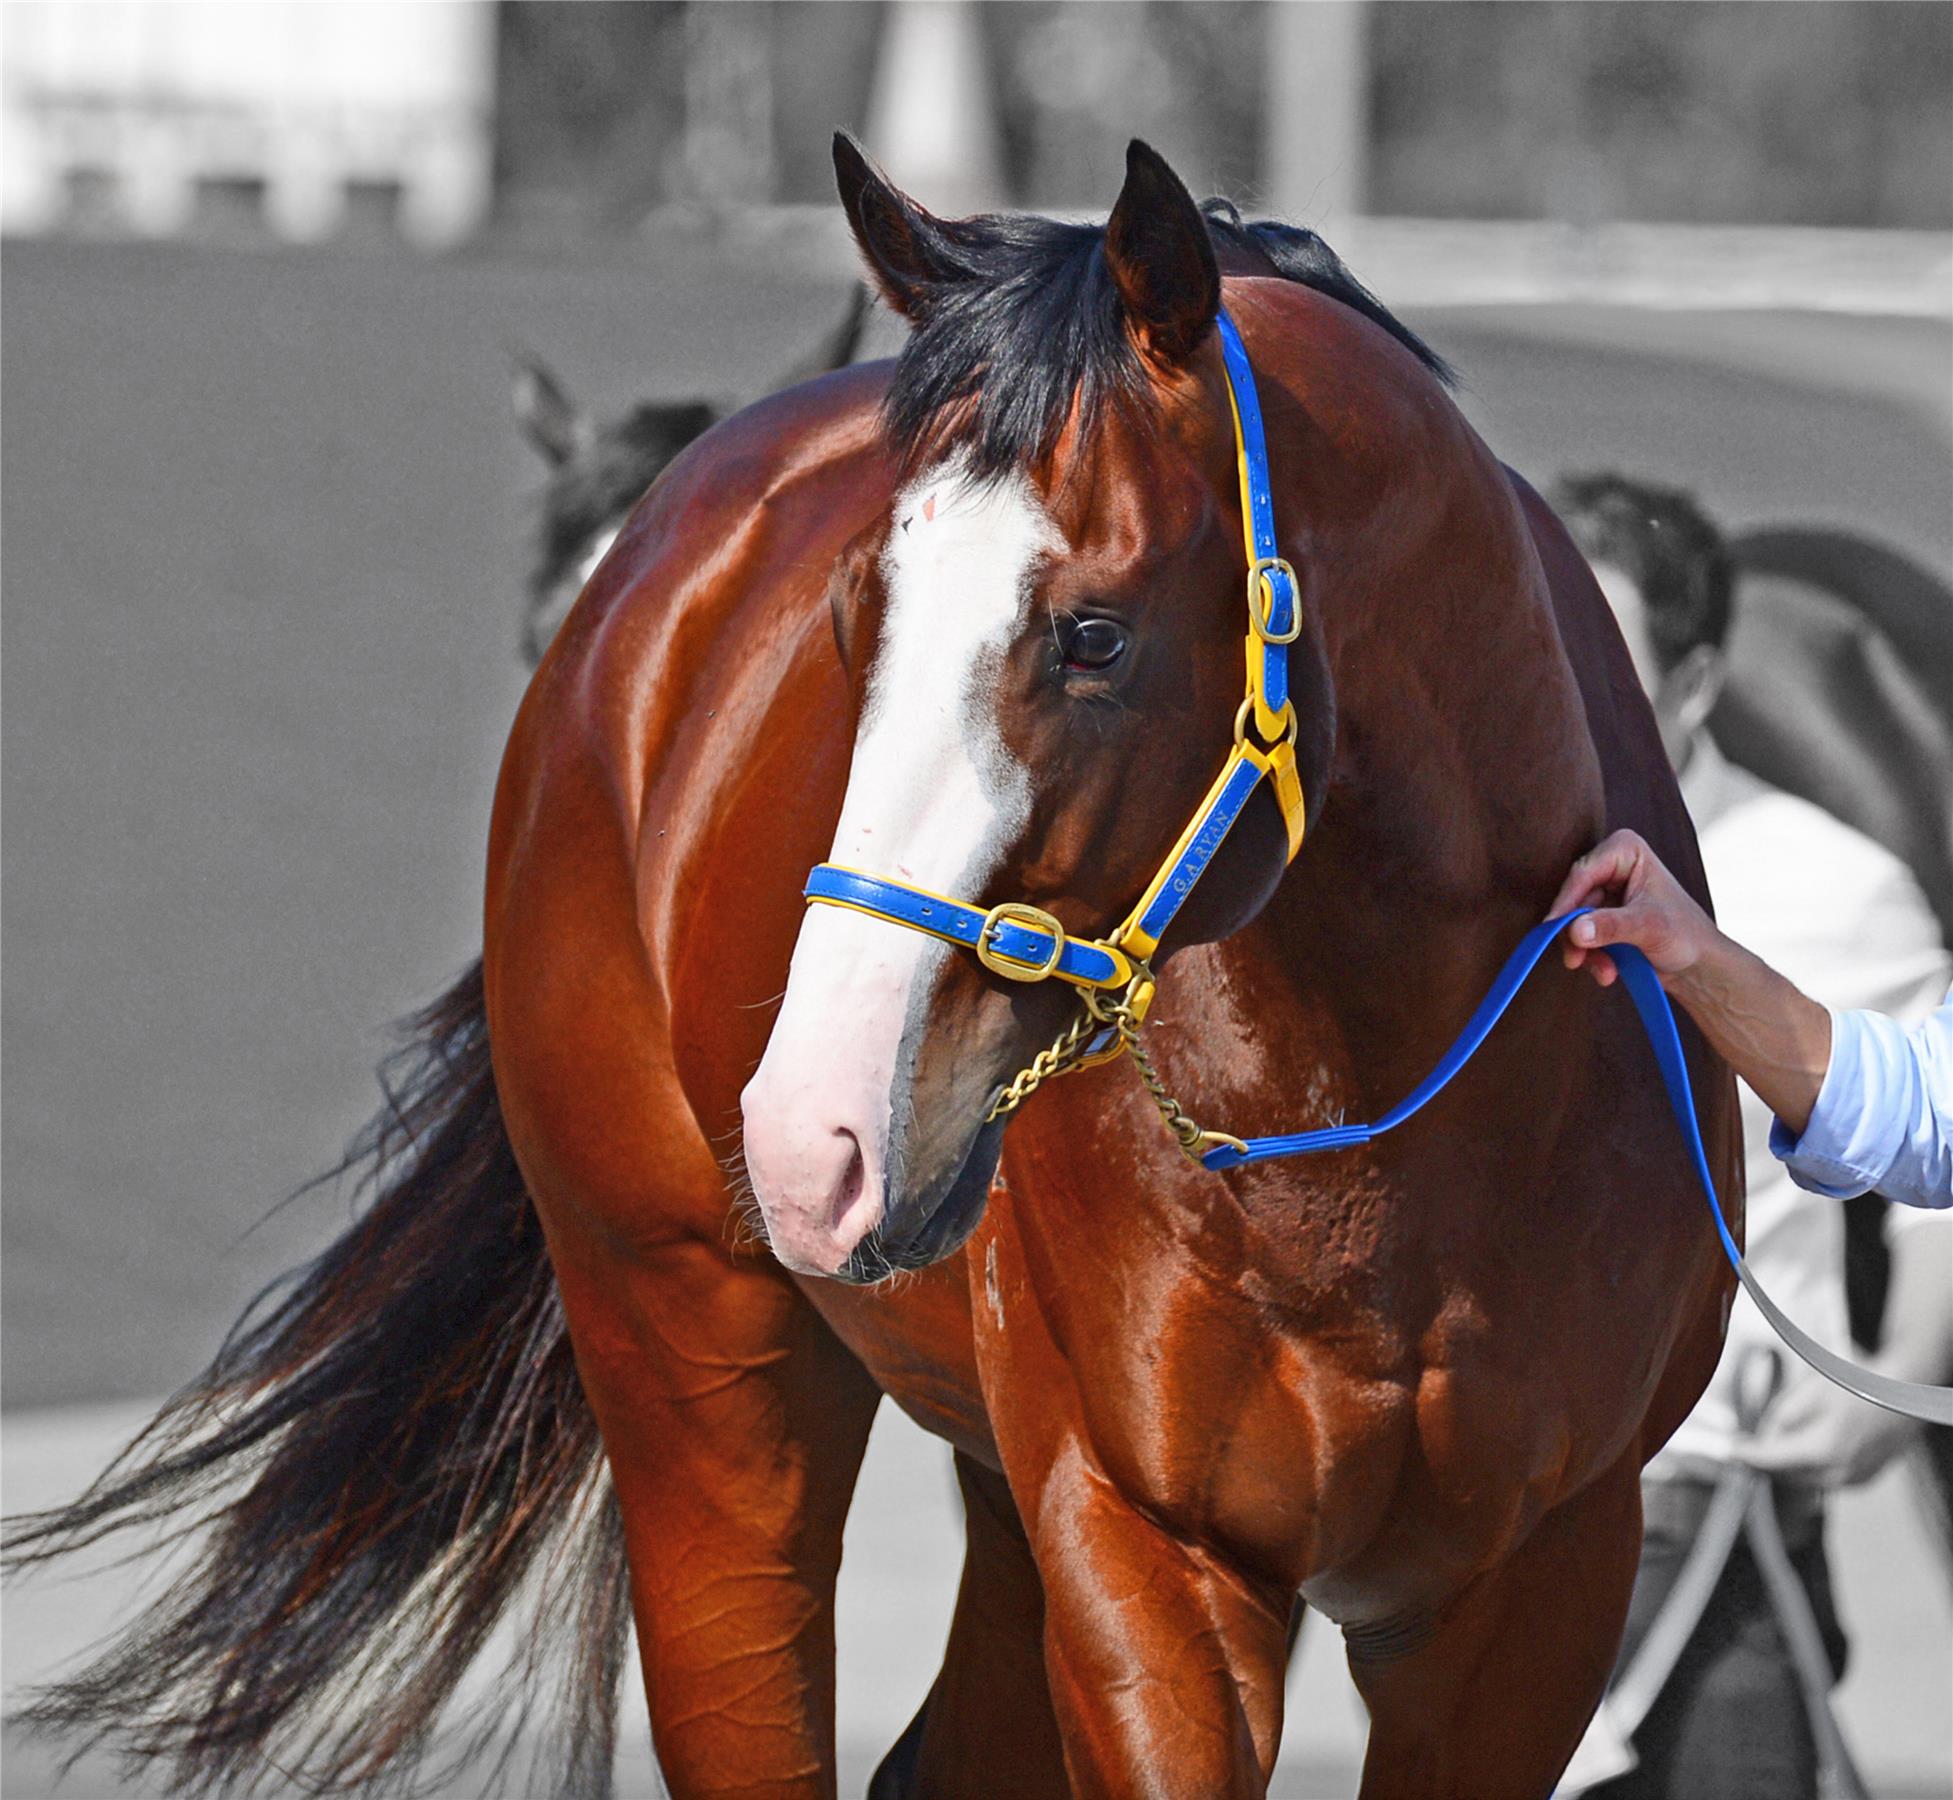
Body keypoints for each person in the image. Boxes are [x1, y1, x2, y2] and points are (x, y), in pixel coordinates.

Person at [1546, 475, 1952, 1800]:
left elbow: (1920, 1134)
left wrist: (1892, 1381)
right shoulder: (1478, 877)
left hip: (1710, 1516)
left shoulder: (1838, 888)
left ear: (1697, 682)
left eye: (1604, 658)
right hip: (1503, 1530)